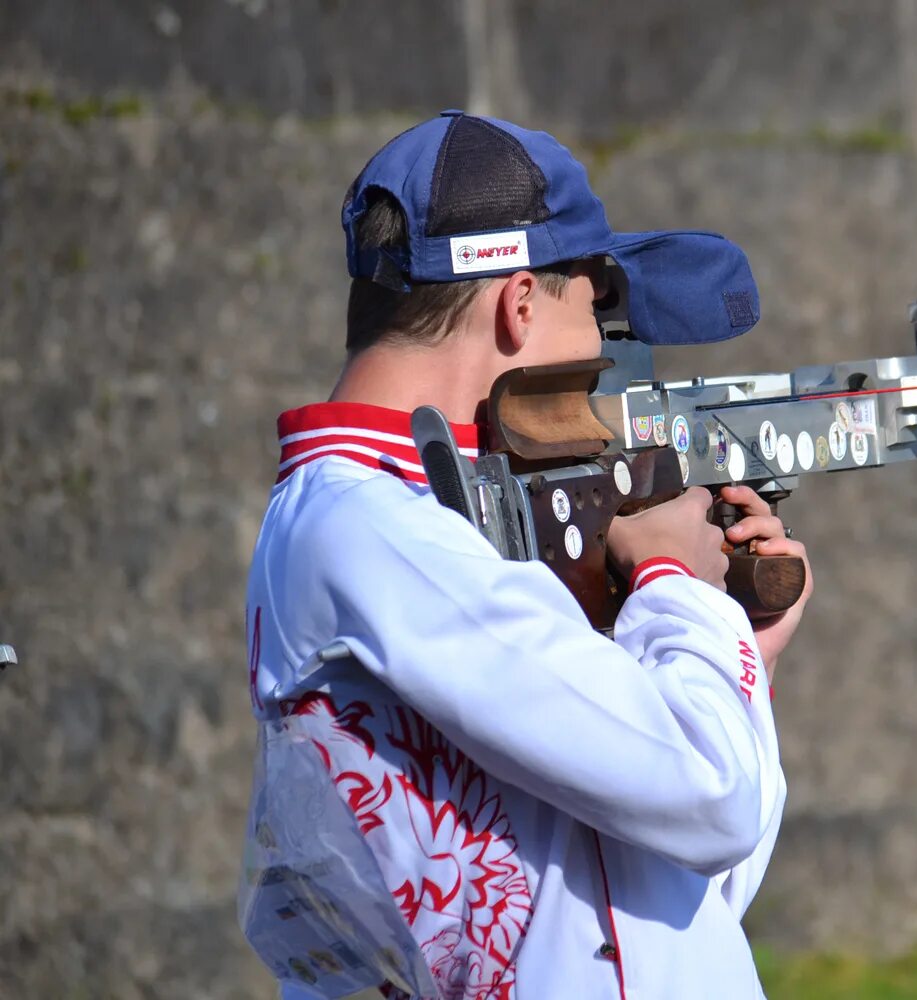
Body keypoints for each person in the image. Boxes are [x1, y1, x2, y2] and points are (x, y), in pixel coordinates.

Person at [240, 110, 811, 1000]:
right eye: (594, 318)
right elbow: (711, 795)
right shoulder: (376, 528)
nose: (602, 364)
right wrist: (671, 579)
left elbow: (679, 896)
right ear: (517, 304)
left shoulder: (407, 522)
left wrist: (739, 662)